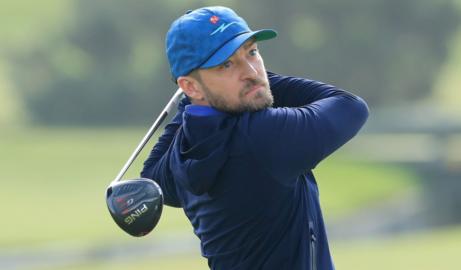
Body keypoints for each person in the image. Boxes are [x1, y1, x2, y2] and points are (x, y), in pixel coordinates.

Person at [141, 6, 369, 270]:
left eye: (252, 52)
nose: (251, 70)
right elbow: (350, 107)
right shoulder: (264, 136)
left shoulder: (184, 150)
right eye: (226, 64)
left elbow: (153, 182)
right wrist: (259, 84)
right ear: (190, 86)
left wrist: (195, 102)